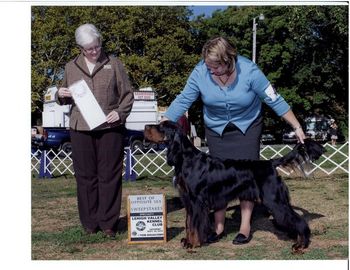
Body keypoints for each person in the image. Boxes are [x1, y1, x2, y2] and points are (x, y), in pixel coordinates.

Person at [162, 37, 305, 245]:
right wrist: (164, 121)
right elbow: (184, 99)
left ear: (229, 60)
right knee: (219, 179)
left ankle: (245, 227)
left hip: (247, 126)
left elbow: (274, 98)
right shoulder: (200, 71)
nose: (211, 71)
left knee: (248, 178)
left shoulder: (250, 71)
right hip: (216, 129)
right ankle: (218, 226)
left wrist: (297, 126)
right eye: (208, 66)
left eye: (216, 67)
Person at [56, 23, 134, 237]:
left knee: (109, 175)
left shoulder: (115, 64)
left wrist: (120, 112)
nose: (94, 52)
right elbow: (62, 94)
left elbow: (127, 94)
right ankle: (90, 223)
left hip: (110, 127)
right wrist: (60, 94)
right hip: (80, 127)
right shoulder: (70, 66)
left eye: (97, 47)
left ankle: (108, 223)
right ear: (80, 48)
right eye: (89, 49)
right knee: (85, 176)